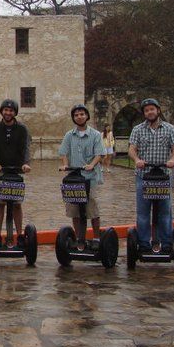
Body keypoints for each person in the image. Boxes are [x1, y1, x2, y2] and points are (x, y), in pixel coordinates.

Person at [128, 98, 174, 254]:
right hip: (144, 175)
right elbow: (132, 148)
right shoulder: (138, 129)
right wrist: (137, 160)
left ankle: (165, 243)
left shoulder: (169, 128)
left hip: (163, 175)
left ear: (158, 110)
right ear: (144, 113)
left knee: (165, 211)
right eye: (146, 110)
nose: (150, 112)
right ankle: (144, 243)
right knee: (143, 211)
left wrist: (172, 159)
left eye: (152, 109)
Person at [58, 105, 106, 248]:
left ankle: (96, 237)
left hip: (89, 177)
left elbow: (100, 154)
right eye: (77, 115)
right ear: (73, 118)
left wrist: (92, 164)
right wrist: (65, 165)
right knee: (74, 209)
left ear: (87, 116)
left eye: (82, 114)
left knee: (91, 206)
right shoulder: (69, 135)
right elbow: (63, 152)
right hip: (73, 176)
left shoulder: (95, 135)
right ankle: (80, 238)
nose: (79, 117)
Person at [0, 99, 31, 247]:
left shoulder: (22, 129)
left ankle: (19, 235)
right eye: (5, 110)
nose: (8, 113)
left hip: (17, 170)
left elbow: (26, 148)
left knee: (17, 204)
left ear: (15, 112)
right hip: (0, 170)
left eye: (11, 110)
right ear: (2, 111)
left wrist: (26, 164)